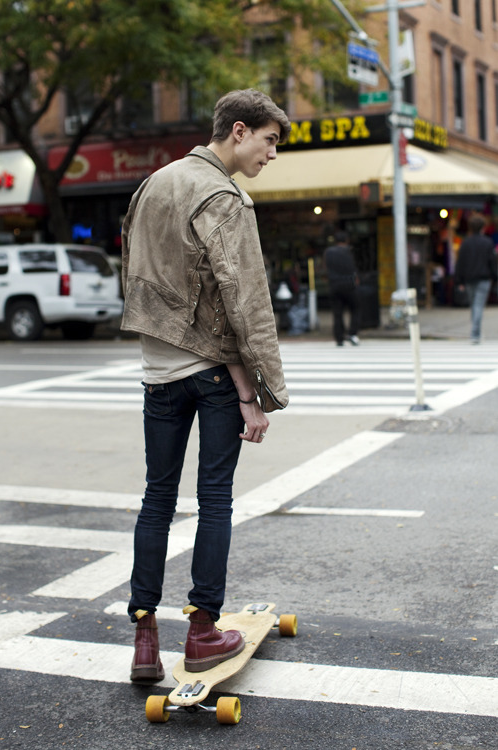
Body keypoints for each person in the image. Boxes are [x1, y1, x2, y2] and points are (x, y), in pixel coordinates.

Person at [120, 89, 290, 682]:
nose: (273, 154)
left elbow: (134, 273)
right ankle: (201, 633)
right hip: (215, 375)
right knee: (214, 498)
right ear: (238, 131)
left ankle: (144, 641)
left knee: (156, 500)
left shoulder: (153, 185)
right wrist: (260, 390)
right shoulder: (225, 196)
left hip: (156, 372)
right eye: (270, 140)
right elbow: (245, 300)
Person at [454, 214, 497, 344]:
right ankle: (475, 333)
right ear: (483, 227)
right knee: (477, 305)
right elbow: (493, 262)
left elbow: (460, 263)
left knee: (474, 305)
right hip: (483, 279)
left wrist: (459, 281)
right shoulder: (487, 242)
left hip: (469, 279)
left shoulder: (466, 242)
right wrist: (495, 277)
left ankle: (475, 332)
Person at [323, 230, 360, 346]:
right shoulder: (349, 251)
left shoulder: (328, 252)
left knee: (337, 313)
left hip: (334, 285)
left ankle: (339, 338)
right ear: (346, 240)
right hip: (349, 284)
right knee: (355, 309)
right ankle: (352, 333)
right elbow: (353, 268)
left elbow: (325, 268)